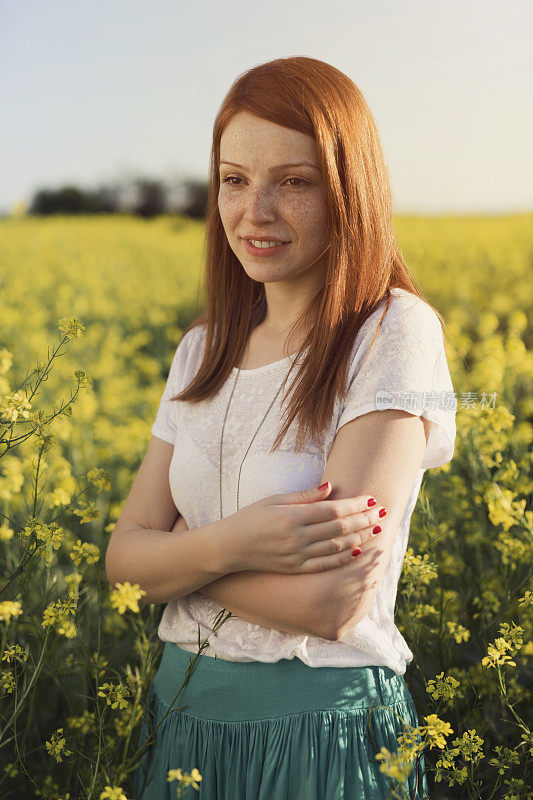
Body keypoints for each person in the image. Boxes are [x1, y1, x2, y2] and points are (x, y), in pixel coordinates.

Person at [106, 55, 457, 799]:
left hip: (316, 729)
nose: (254, 211)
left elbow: (330, 603)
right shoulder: (201, 350)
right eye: (234, 179)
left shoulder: (390, 331)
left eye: (292, 182)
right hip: (180, 718)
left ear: (346, 191)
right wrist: (235, 543)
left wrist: (172, 562)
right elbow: (119, 565)